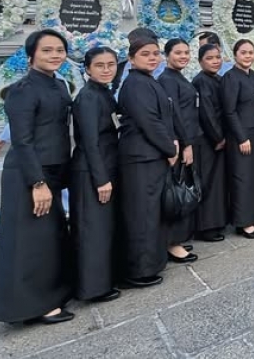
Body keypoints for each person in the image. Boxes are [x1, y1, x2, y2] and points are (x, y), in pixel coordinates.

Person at [0, 29, 75, 324]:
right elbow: (22, 141)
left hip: (53, 170)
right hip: (29, 174)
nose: (55, 55)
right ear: (30, 55)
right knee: (30, 242)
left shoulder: (59, 85)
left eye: (59, 50)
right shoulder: (22, 90)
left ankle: (52, 294)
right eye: (47, 50)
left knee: (49, 238)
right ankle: (35, 306)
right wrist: (37, 183)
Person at [116, 36, 179, 289]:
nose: (152, 58)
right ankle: (138, 270)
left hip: (152, 156)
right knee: (141, 214)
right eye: (145, 54)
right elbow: (149, 121)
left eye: (155, 53)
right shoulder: (135, 84)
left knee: (152, 212)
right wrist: (170, 148)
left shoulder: (147, 80)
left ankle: (151, 262)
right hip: (140, 158)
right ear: (131, 59)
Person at [70, 46, 121, 303]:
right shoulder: (88, 97)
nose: (106, 69)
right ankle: (92, 288)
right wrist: (101, 179)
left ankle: (104, 280)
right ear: (88, 69)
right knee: (92, 231)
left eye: (111, 64)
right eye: (100, 65)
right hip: (91, 171)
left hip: (107, 165)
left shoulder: (104, 92)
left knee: (104, 229)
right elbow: (90, 142)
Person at [157, 39, 200, 263]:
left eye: (186, 52)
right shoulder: (167, 79)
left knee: (183, 190)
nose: (183, 56)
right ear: (167, 55)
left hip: (188, 138)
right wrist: (185, 143)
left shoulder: (178, 77)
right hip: (179, 143)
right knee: (176, 192)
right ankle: (172, 243)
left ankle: (178, 238)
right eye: (178, 53)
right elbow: (174, 115)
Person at [221, 39, 254, 238]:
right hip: (242, 136)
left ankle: (252, 216)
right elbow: (229, 111)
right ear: (235, 55)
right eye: (243, 52)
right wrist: (241, 137)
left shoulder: (253, 75)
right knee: (242, 179)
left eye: (251, 52)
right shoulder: (230, 78)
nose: (248, 56)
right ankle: (243, 222)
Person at [191, 43, 228, 242]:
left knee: (218, 182)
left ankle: (217, 221)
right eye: (209, 58)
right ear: (200, 62)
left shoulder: (217, 79)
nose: (215, 61)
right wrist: (218, 137)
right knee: (209, 182)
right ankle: (206, 227)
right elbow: (207, 113)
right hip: (208, 141)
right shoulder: (201, 81)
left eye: (217, 57)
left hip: (218, 138)